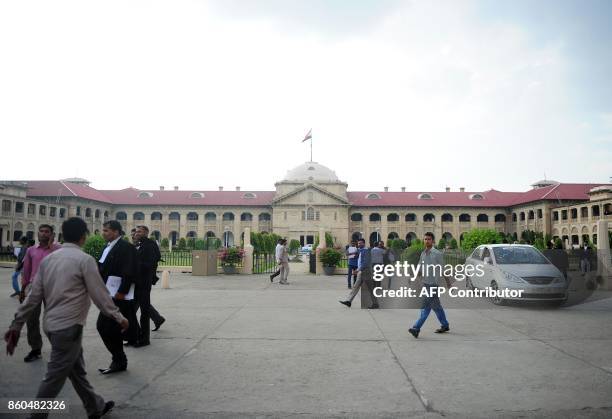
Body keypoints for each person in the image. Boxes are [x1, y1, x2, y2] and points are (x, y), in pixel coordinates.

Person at [4, 217, 126, 419]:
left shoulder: (49, 260)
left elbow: (33, 296)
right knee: (54, 376)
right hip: (68, 328)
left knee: (76, 370)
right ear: (83, 236)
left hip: (51, 326)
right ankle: (36, 415)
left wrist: (16, 324)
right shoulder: (84, 260)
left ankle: (95, 406)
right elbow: (100, 294)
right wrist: (118, 317)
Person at [96, 220, 138, 374]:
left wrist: (122, 291)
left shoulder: (126, 248)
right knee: (109, 328)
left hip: (118, 295)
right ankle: (119, 360)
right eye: (104, 230)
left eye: (106, 230)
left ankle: (119, 360)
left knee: (104, 326)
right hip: (107, 293)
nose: (104, 233)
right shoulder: (107, 247)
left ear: (116, 232)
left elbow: (130, 271)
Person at [20, 224, 62, 363]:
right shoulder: (31, 250)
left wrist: (52, 245)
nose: (44, 234)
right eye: (41, 231)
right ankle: (35, 349)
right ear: (37, 234)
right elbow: (26, 271)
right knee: (31, 320)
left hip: (53, 287)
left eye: (47, 232)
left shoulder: (58, 249)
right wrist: (23, 290)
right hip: (34, 287)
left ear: (52, 234)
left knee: (54, 319)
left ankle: (59, 349)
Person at [408, 232, 450, 338]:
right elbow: (419, 268)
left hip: (433, 284)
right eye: (425, 239)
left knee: (426, 307)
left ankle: (416, 328)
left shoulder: (437, 253)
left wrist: (448, 283)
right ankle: (445, 325)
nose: (427, 241)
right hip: (426, 283)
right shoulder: (423, 253)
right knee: (436, 307)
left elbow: (443, 269)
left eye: (429, 239)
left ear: (433, 241)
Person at [133, 225, 165, 346]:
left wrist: (135, 263)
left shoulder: (149, 245)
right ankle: (136, 335)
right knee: (132, 310)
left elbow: (150, 263)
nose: (137, 233)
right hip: (136, 282)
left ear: (146, 232)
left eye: (140, 231)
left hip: (144, 282)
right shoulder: (139, 244)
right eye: (136, 231)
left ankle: (144, 339)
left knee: (144, 311)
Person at [339, 238, 379, 309]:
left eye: (360, 243)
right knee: (356, 286)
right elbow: (349, 254)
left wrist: (357, 270)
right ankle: (349, 301)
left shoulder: (366, 251)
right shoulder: (360, 250)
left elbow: (365, 263)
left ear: (364, 243)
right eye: (358, 243)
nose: (359, 244)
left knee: (370, 289)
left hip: (366, 272)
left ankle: (375, 303)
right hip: (361, 272)